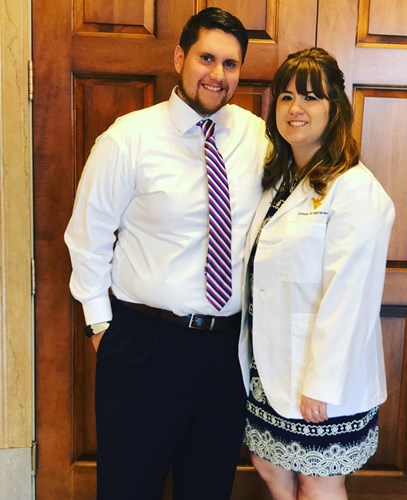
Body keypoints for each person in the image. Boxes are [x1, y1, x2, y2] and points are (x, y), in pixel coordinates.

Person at [64, 7, 268, 500]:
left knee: (208, 487)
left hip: (224, 352)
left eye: (231, 64)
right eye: (206, 58)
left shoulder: (258, 137)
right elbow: (87, 236)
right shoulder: (128, 138)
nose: (217, 75)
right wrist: (99, 327)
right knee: (129, 487)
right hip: (145, 344)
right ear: (180, 57)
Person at [241, 48, 395, 499]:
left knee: (318, 482)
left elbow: (350, 297)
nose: (296, 109)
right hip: (269, 366)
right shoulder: (280, 179)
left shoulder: (355, 190)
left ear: (335, 109)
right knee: (269, 464)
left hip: (320, 376)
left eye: (310, 97)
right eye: (286, 97)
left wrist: (321, 385)